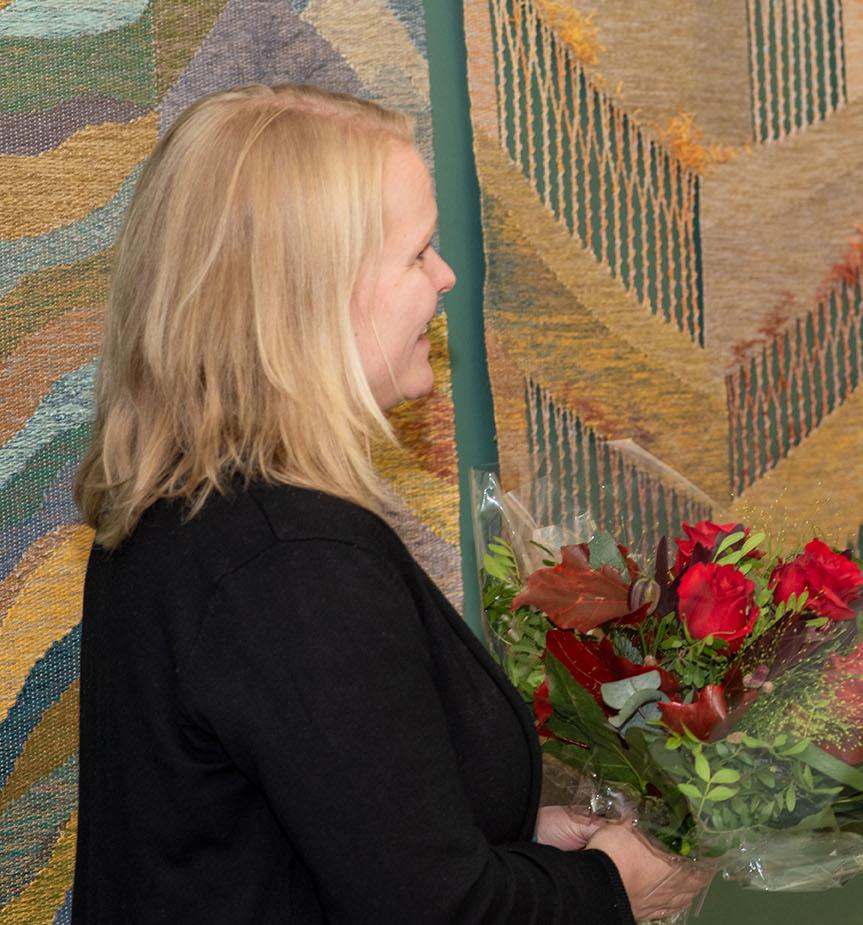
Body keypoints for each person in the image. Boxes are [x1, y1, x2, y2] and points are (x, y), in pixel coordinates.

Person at [72, 84, 708, 923]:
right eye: (417, 253)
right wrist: (611, 886)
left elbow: (319, 839)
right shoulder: (291, 566)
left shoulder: (195, 512)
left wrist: (509, 842)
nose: (445, 276)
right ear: (309, 294)